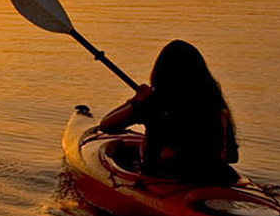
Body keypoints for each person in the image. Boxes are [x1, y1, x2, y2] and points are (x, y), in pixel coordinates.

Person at [98, 40, 239, 182]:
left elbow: (106, 125)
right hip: (218, 177)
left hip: (167, 176)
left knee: (125, 153)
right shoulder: (215, 104)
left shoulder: (153, 102)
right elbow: (232, 157)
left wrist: (136, 100)